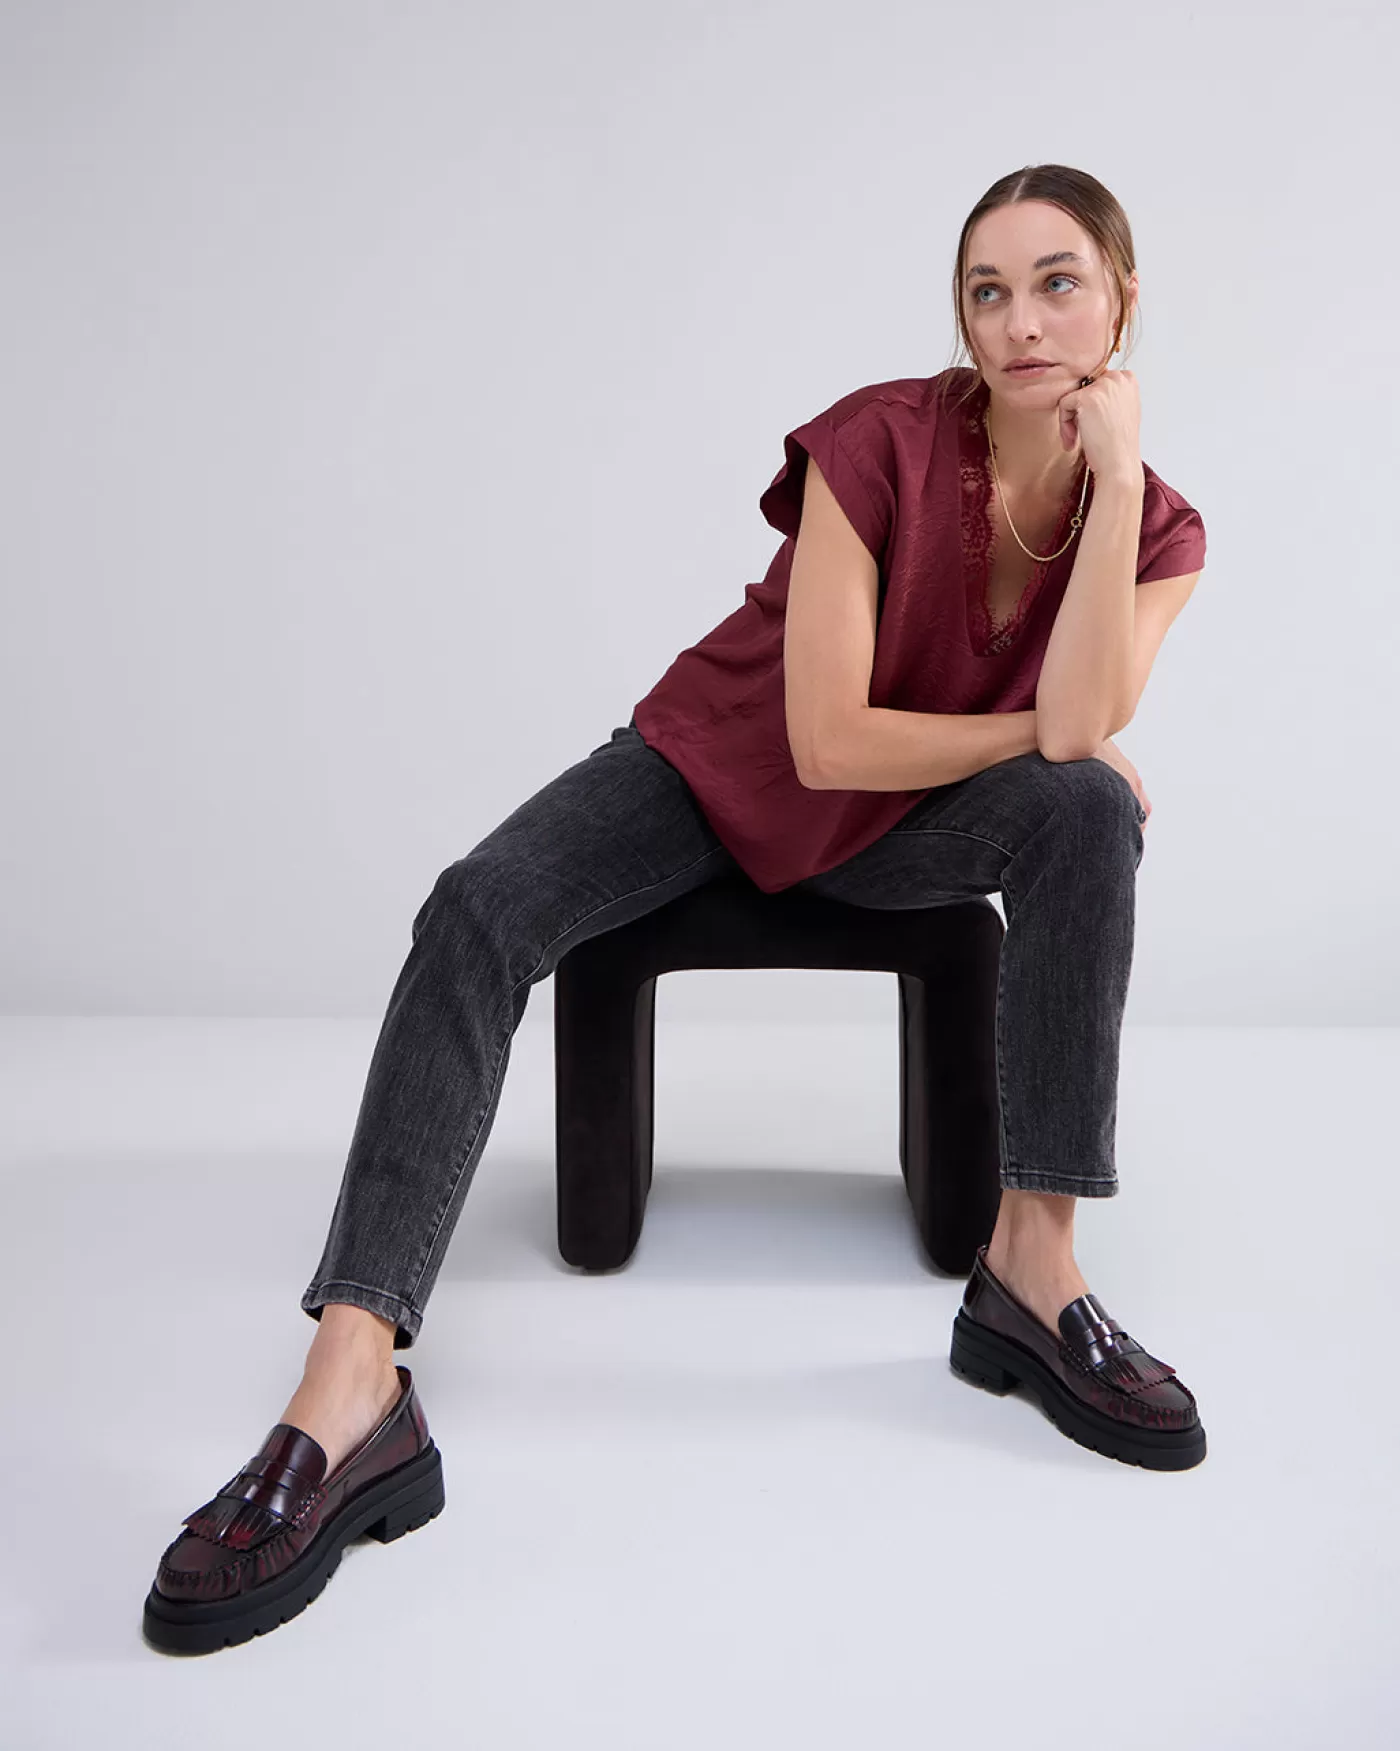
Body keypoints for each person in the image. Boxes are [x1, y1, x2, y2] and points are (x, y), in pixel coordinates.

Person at [143, 162, 1209, 1655]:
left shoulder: (1160, 528)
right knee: (475, 909)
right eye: (989, 291)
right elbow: (827, 738)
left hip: (894, 838)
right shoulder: (875, 441)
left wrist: (1118, 482)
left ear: (1121, 301)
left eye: (1058, 284)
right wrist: (1049, 732)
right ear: (960, 317)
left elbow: (1085, 728)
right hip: (709, 773)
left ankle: (1034, 1271)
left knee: (1090, 806)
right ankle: (353, 1381)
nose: (1023, 322)